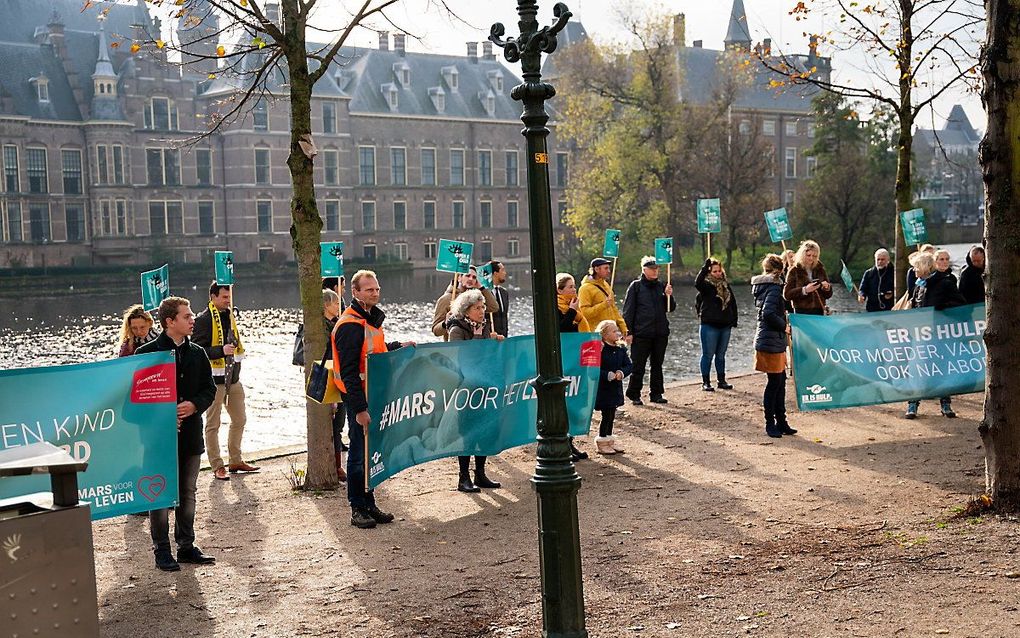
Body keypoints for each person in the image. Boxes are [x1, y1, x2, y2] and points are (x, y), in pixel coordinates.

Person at [136, 296, 217, 572]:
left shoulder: (198, 353)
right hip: (157, 440)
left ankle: (186, 546)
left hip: (191, 437)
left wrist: (194, 404)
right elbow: (135, 399)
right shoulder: (146, 354)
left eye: (191, 314)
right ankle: (161, 550)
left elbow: (210, 390)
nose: (192, 318)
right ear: (170, 322)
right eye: (186, 315)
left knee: (188, 492)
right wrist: (162, 415)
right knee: (159, 495)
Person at [331, 270, 414, 529]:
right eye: (369, 290)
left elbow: (375, 353)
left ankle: (369, 502)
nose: (375, 293)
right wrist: (359, 409)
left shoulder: (369, 321)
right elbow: (348, 372)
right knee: (357, 455)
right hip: (361, 400)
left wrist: (397, 346)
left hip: (373, 395)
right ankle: (357, 508)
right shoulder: (350, 325)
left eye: (377, 289)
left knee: (370, 454)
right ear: (355, 292)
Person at [193, 282, 259, 480]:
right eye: (224, 297)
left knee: (240, 419)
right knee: (213, 425)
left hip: (234, 379)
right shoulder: (203, 320)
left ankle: (235, 460)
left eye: (229, 297)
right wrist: (220, 351)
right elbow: (197, 351)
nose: (228, 300)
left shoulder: (231, 316)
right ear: (212, 297)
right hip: (214, 380)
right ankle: (217, 465)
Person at [446, 289, 505, 492]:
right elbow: (460, 357)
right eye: (477, 308)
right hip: (465, 388)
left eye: (483, 307)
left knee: (485, 429)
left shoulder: (485, 327)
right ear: (466, 310)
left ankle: (480, 474)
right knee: (467, 432)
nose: (482, 311)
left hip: (484, 386)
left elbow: (487, 357)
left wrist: (495, 344)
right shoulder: (456, 329)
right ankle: (463, 477)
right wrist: (482, 341)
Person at [905, 252, 966, 420]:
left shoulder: (945, 283)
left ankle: (945, 404)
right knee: (917, 369)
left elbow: (961, 305)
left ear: (925, 267)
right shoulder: (919, 285)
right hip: (920, 335)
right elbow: (916, 305)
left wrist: (942, 308)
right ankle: (913, 404)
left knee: (941, 368)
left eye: (916, 267)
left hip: (939, 336)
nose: (914, 270)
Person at [751, 254, 796, 439]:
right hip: (770, 340)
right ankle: (771, 423)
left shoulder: (767, 287)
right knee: (774, 384)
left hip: (773, 340)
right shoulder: (773, 288)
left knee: (779, 382)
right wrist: (784, 326)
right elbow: (768, 313)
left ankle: (781, 421)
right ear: (780, 270)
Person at [622, 256, 676, 405]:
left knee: (657, 365)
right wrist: (628, 332)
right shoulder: (636, 286)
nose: (655, 271)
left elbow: (670, 309)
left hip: (660, 333)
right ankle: (634, 394)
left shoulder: (662, 286)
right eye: (652, 268)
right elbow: (628, 311)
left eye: (656, 268)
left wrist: (668, 296)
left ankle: (656, 393)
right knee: (638, 365)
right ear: (644, 270)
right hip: (641, 333)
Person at [556, 273, 592, 462]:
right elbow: (560, 330)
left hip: (577, 360)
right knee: (565, 402)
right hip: (564, 361)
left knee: (576, 399)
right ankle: (562, 444)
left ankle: (571, 441)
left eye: (574, 285)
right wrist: (571, 312)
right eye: (570, 287)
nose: (574, 289)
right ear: (559, 290)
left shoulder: (574, 308)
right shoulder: (556, 307)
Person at [694, 258, 738, 391]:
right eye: (714, 271)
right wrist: (704, 267)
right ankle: (706, 382)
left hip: (725, 325)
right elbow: (697, 283)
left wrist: (734, 319)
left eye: (719, 271)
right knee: (708, 354)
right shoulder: (706, 286)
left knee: (721, 355)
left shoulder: (725, 285)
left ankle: (721, 380)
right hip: (710, 325)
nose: (718, 273)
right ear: (709, 272)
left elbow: (733, 303)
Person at [593, 319, 632, 455]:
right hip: (603, 388)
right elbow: (594, 369)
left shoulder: (621, 349)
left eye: (618, 330)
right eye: (614, 331)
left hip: (616, 387)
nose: (618, 333)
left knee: (612, 414)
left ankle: (609, 440)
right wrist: (608, 375)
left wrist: (621, 373)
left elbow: (629, 365)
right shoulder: (600, 350)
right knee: (606, 414)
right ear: (604, 334)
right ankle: (602, 441)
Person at [432, 266, 499, 340]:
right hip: (455, 343)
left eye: (474, 277)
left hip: (476, 341)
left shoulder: (476, 300)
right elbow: (435, 331)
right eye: (467, 275)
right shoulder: (446, 299)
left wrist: (481, 287)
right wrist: (445, 323)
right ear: (459, 278)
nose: (471, 279)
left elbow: (494, 307)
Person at [322, 289, 347, 483]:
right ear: (326, 305)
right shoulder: (323, 329)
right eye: (336, 304)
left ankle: (337, 464)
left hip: (339, 378)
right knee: (333, 425)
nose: (339, 307)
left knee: (338, 425)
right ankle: (335, 466)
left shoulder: (336, 324)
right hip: (329, 379)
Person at [578, 258, 628, 339]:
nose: (609, 271)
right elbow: (584, 313)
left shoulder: (606, 285)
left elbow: (614, 309)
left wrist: (623, 327)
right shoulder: (585, 289)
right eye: (606, 268)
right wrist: (603, 305)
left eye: (609, 268)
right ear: (596, 269)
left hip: (611, 334)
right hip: (596, 334)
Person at [783, 240, 833, 315]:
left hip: (819, 311)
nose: (811, 258)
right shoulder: (794, 270)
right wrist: (804, 290)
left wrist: (827, 288)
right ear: (802, 255)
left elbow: (828, 295)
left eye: (814, 256)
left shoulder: (820, 269)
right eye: (808, 255)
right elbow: (787, 295)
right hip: (801, 312)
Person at [487, 260, 510, 338]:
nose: (505, 273)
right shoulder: (484, 294)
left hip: (503, 339)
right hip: (490, 339)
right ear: (495, 273)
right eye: (502, 270)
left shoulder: (504, 293)